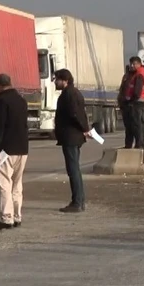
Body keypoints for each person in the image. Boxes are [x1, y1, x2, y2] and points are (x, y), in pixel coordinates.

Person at [0, 74, 30, 230]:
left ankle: (6, 218)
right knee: (17, 184)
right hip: (22, 148)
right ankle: (17, 216)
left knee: (3, 184)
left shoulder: (1, 102)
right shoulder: (21, 100)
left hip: (5, 149)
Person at [53, 68, 92, 213]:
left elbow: (75, 113)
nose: (55, 82)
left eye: (57, 79)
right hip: (73, 136)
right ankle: (79, 200)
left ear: (65, 80)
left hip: (71, 136)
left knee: (73, 169)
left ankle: (77, 202)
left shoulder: (68, 94)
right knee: (74, 169)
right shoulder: (73, 93)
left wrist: (84, 128)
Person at [123, 56, 144, 149]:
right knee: (138, 125)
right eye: (131, 64)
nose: (132, 66)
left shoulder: (139, 75)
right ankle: (139, 144)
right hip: (138, 103)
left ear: (139, 64)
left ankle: (139, 145)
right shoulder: (137, 74)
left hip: (137, 104)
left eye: (134, 64)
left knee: (137, 125)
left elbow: (137, 92)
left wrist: (131, 101)